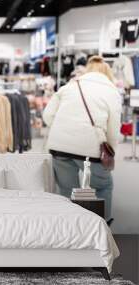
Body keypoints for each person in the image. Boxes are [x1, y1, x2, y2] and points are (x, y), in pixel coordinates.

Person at [43, 56, 122, 223]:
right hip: (91, 149)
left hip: (59, 146)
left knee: (67, 189)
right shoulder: (111, 91)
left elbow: (48, 116)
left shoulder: (69, 87)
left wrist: (62, 129)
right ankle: (102, 226)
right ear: (107, 73)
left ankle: (70, 227)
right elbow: (114, 128)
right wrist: (110, 150)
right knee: (102, 186)